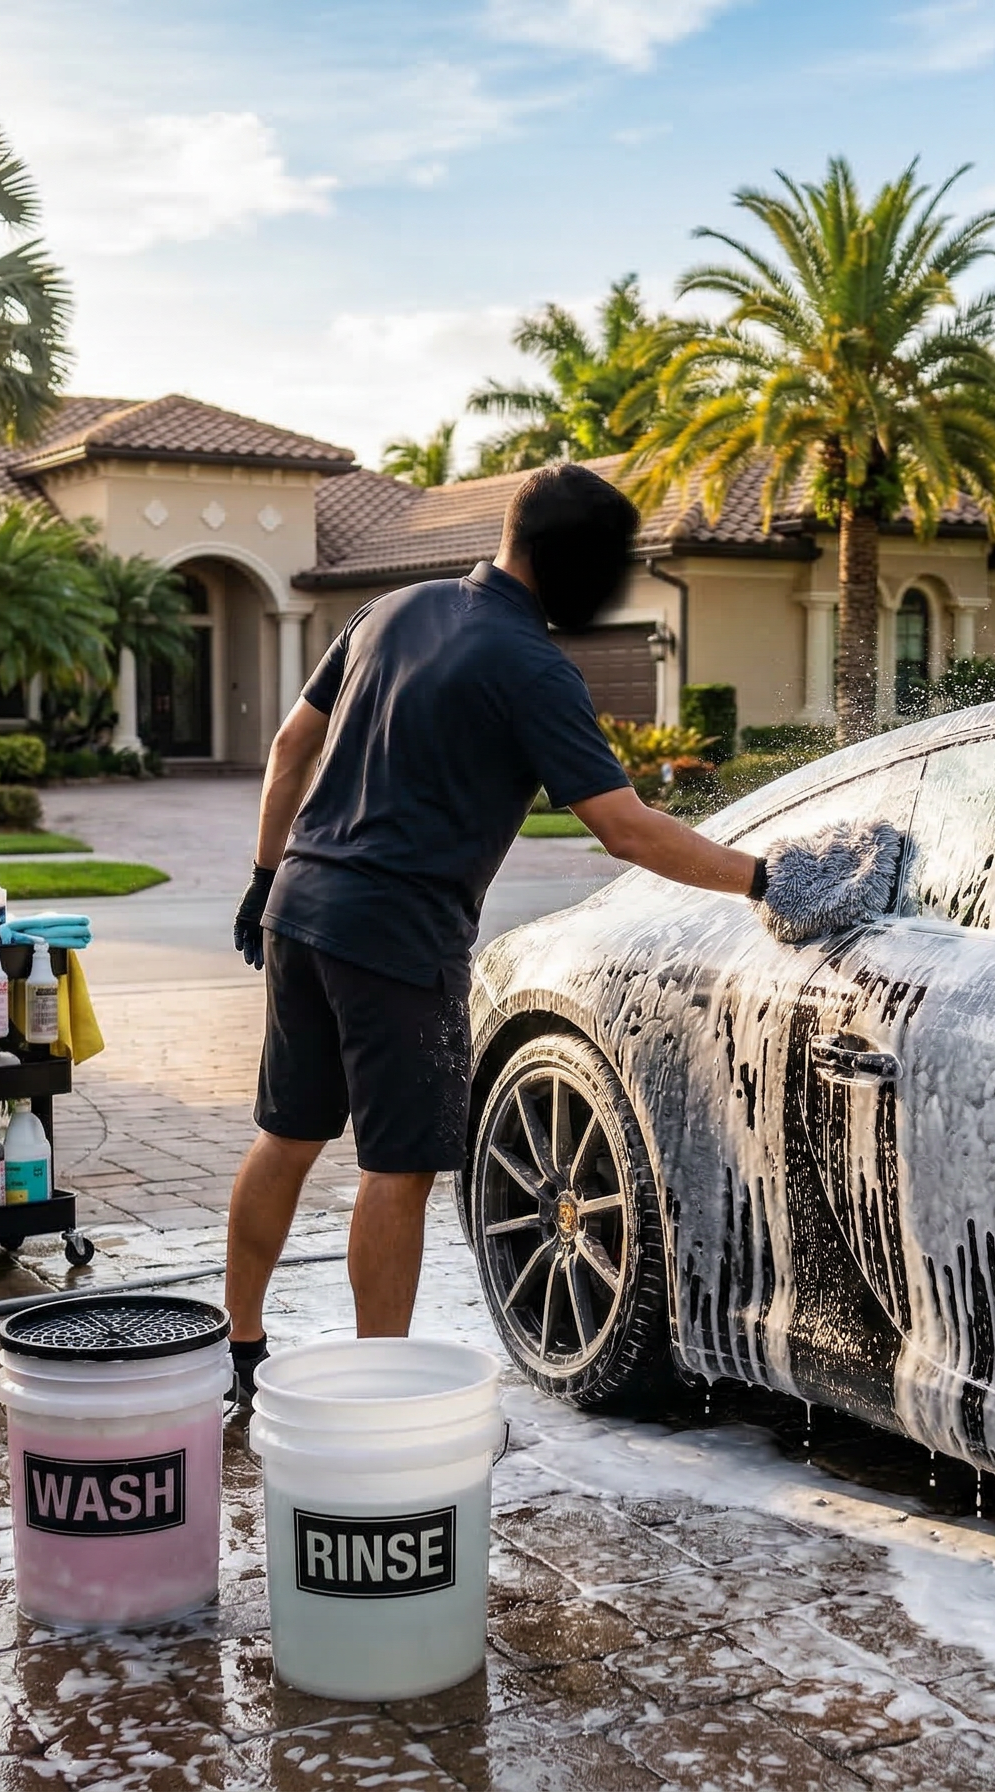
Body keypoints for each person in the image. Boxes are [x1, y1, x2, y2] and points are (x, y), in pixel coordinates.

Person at [220, 465, 770, 1398]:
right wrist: (763, 878)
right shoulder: (532, 666)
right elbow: (625, 826)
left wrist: (266, 874)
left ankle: (241, 1350)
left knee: (287, 1135)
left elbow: (286, 752)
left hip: (300, 909)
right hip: (397, 937)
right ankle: (376, 1396)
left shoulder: (392, 609)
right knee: (397, 1169)